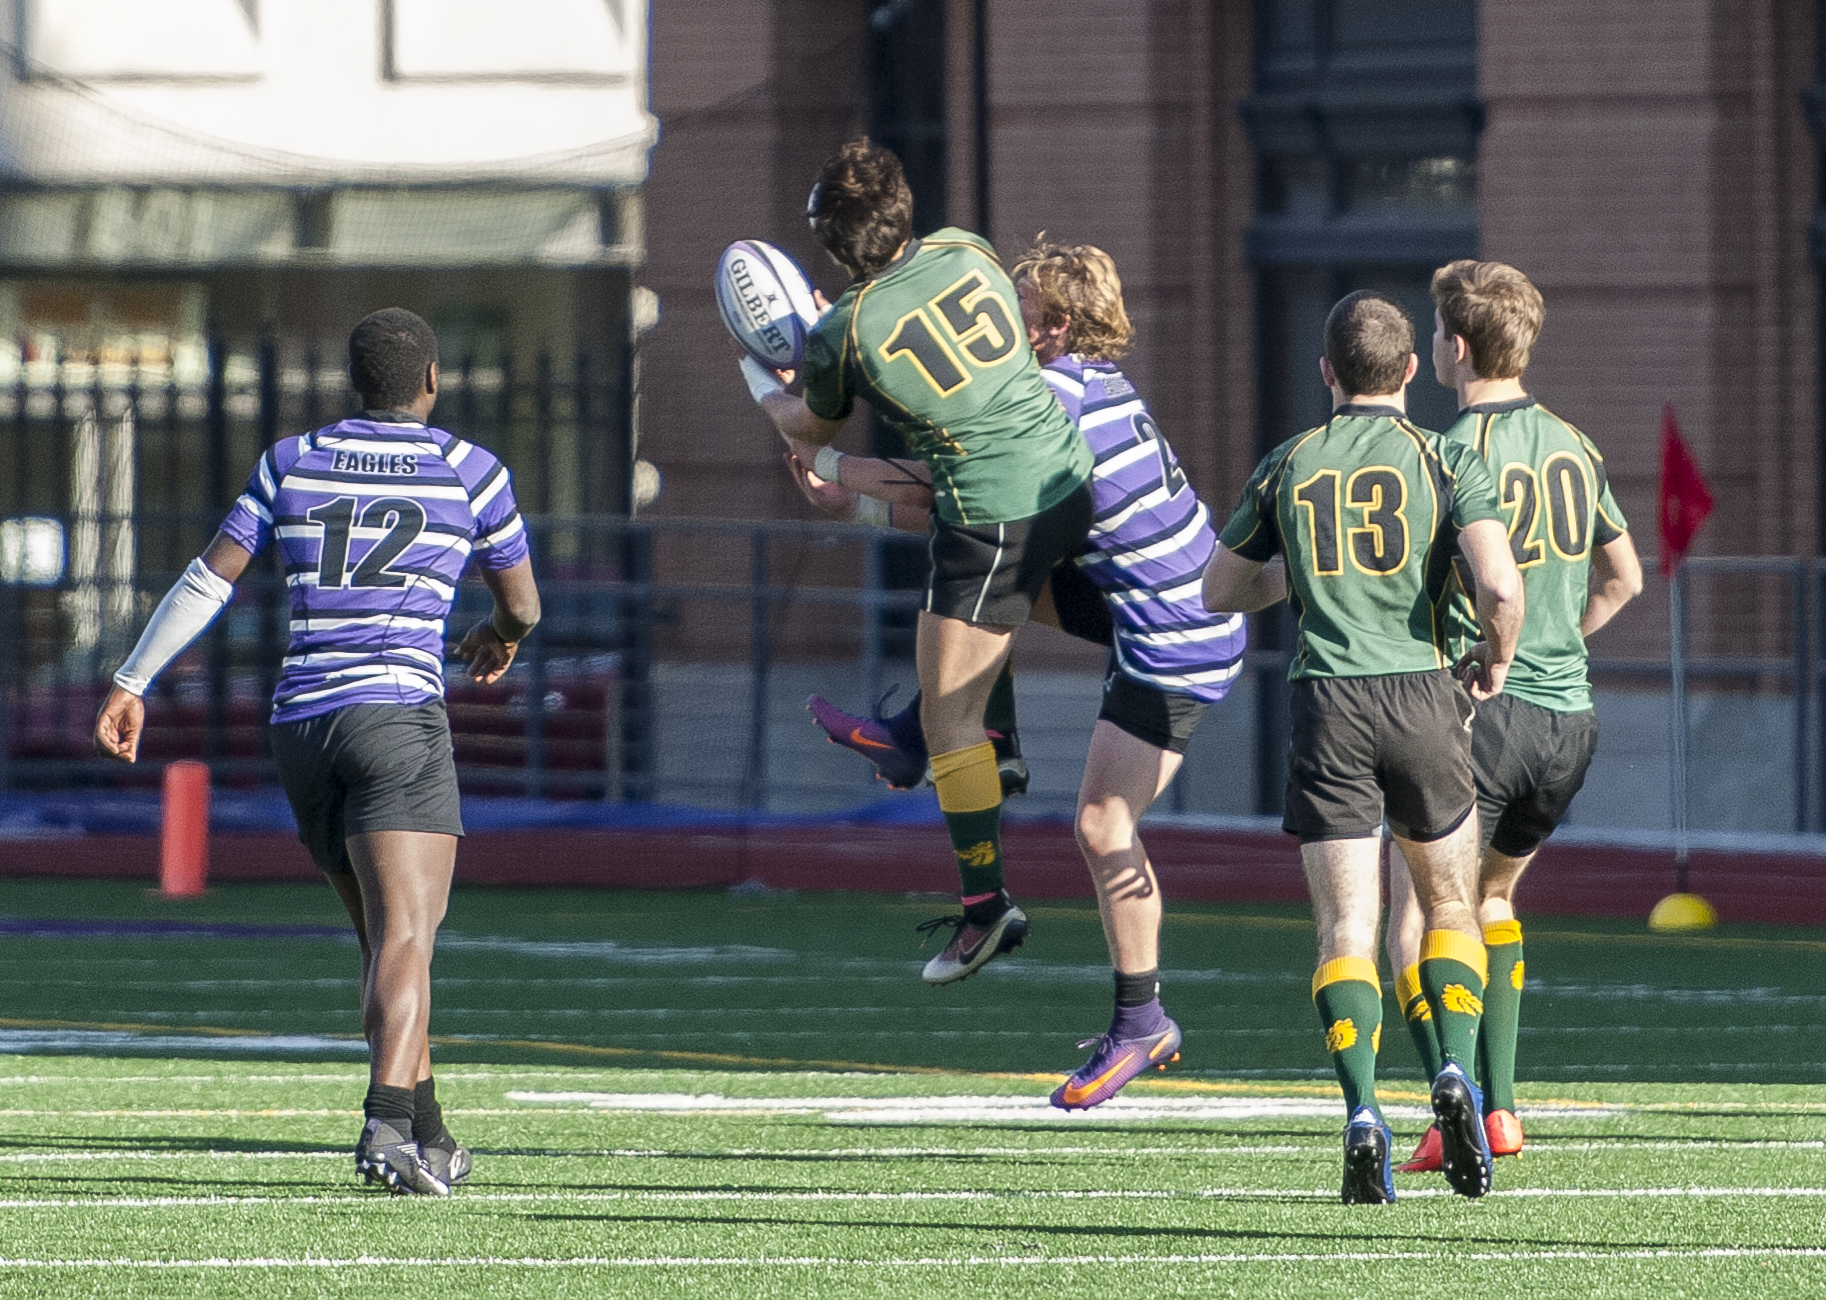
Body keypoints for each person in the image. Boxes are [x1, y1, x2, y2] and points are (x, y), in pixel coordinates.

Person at [790, 240, 1250, 1108]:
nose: (1000, 321)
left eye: (1019, 308)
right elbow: (968, 505)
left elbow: (942, 479)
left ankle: (1142, 1022)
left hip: (1172, 631)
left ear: (1056, 328)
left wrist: (835, 470)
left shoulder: (1052, 395)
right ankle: (942, 732)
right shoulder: (1084, 383)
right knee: (990, 551)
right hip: (1161, 603)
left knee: (1104, 826)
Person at [93, 307, 540, 1197]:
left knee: (381, 940)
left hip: (301, 726)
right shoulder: (469, 469)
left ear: (350, 385)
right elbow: (522, 604)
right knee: (408, 936)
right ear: (433, 380)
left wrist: (133, 679)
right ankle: (385, 1124)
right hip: (397, 719)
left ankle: (432, 1131)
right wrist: (498, 633)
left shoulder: (291, 460)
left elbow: (207, 577)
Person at [740, 140, 1095, 987]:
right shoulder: (965, 248)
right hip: (1066, 478)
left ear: (831, 243)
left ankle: (984, 912)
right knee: (983, 650)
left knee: (947, 721)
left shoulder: (844, 331)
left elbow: (811, 425)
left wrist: (759, 378)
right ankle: (994, 740)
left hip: (989, 514)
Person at [1202, 290, 1524, 1204]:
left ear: (1327, 373)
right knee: (1449, 906)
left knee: (1346, 929)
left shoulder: (1289, 461)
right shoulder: (1443, 454)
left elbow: (1216, 591)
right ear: (1413, 371)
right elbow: (1501, 589)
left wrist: (1298, 576)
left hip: (1327, 704)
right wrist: (1492, 663)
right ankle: (1454, 1074)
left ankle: (1360, 1112)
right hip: (1424, 695)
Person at [1387, 260, 1643, 1174]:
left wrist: (1494, 656)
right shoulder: (1575, 443)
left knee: (1417, 915)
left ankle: (1446, 1103)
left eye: (1433, 331)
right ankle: (1500, 1113)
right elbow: (1627, 577)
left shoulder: (1449, 452)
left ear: (1454, 348)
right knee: (1493, 899)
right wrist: (1555, 643)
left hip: (1482, 713)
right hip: (1569, 719)